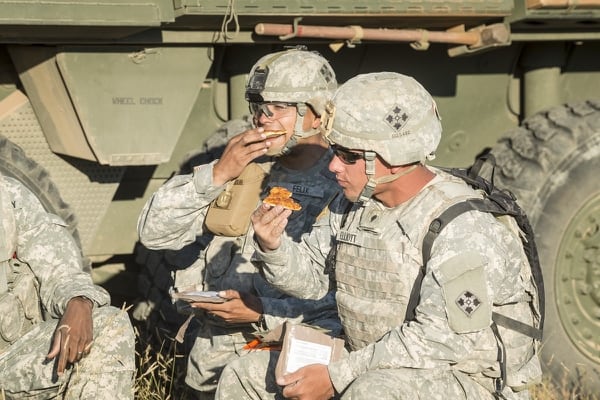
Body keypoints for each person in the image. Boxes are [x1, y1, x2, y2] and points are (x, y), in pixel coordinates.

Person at [216, 72, 543, 399]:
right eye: (334, 151)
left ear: (393, 157)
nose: (333, 167)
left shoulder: (462, 226)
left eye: (349, 156)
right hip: (376, 364)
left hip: (464, 379)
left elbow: (441, 341)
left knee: (373, 392)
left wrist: (336, 376)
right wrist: (272, 246)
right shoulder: (355, 205)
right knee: (247, 375)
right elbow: (312, 282)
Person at [137, 47, 342, 398]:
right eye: (258, 108)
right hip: (209, 361)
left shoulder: (344, 182)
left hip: (282, 360)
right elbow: (153, 233)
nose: (262, 119)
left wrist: (261, 313)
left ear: (317, 114)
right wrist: (216, 175)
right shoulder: (244, 168)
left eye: (277, 109)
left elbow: (352, 303)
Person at [0, 173, 135, 399]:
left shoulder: (7, 194)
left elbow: (55, 259)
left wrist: (78, 300)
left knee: (111, 324)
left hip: (9, 358)